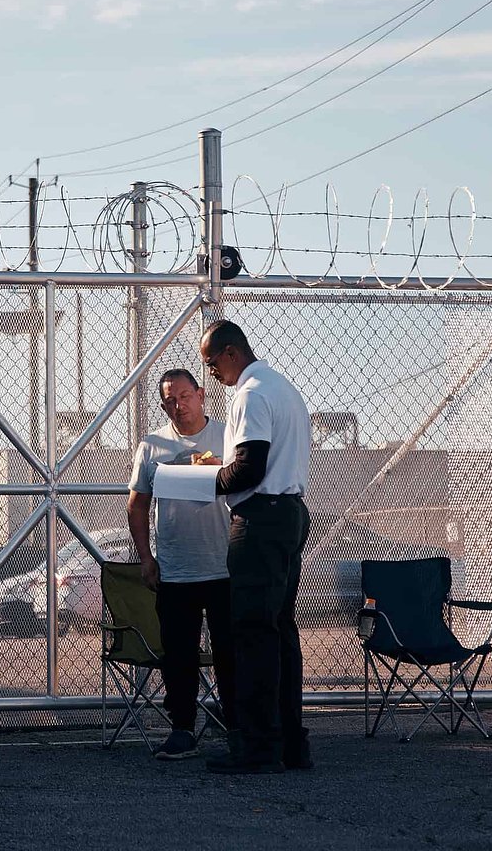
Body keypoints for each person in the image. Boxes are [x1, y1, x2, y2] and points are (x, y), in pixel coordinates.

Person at [198, 319, 314, 774]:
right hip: (289, 512)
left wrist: (206, 479)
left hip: (260, 520)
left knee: (252, 633)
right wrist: (225, 465)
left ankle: (258, 747)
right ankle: (291, 744)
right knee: (279, 629)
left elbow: (249, 468)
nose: (211, 373)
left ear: (231, 353)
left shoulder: (249, 394)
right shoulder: (283, 388)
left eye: (212, 363)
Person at [126, 367, 236, 761]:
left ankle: (237, 727)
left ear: (201, 394)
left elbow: (250, 487)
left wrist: (220, 470)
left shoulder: (227, 436)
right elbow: (137, 505)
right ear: (163, 406)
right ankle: (182, 729)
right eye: (170, 400)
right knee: (179, 654)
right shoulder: (151, 446)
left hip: (224, 565)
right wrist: (146, 558)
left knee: (230, 652)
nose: (179, 405)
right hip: (175, 569)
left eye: (185, 396)